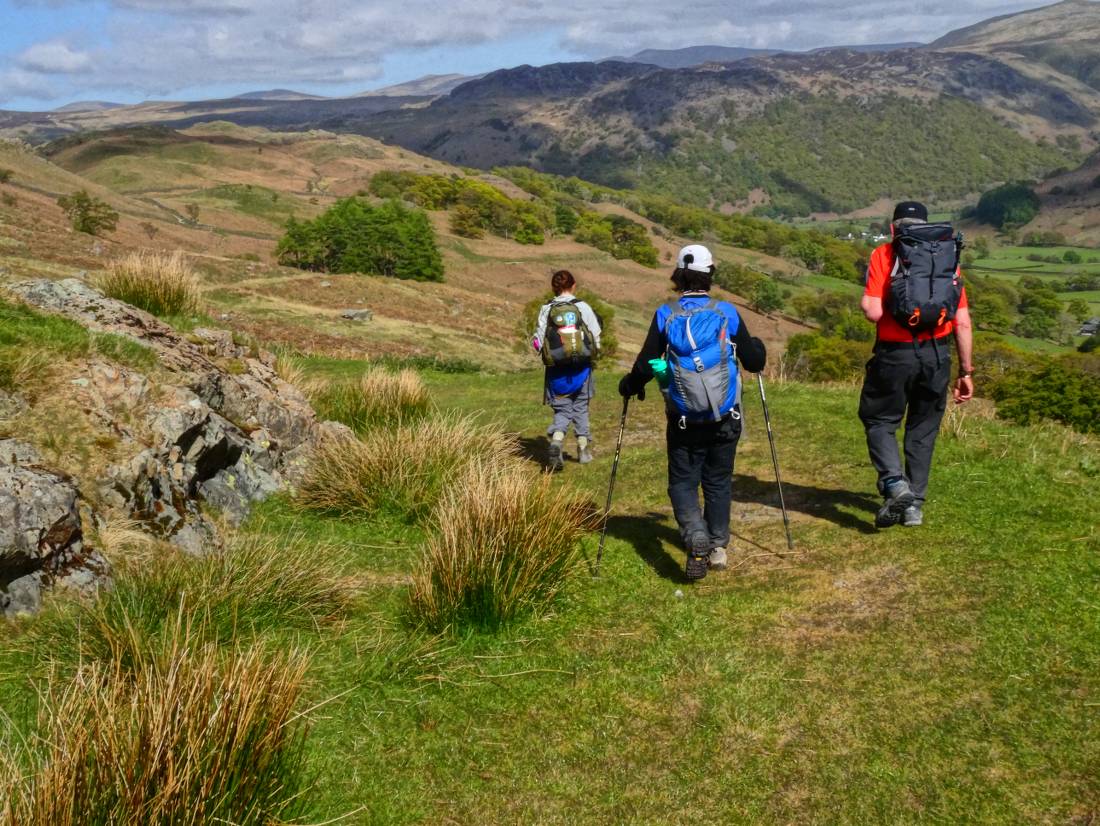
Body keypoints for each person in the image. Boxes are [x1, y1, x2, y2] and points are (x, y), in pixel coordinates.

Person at [618, 244, 766, 580]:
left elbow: (645, 364)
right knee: (717, 481)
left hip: (683, 418)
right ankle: (716, 546)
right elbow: (754, 362)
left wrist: (630, 385)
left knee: (683, 482)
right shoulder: (725, 312)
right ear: (709, 274)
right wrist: (757, 345)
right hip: (725, 417)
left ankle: (694, 533)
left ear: (678, 275)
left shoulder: (665, 315)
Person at [859, 201, 974, 528]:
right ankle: (914, 507)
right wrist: (966, 371)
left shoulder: (885, 254)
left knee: (879, 418)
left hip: (895, 354)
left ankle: (895, 483)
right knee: (923, 428)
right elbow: (962, 321)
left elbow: (873, 311)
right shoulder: (946, 256)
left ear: (895, 226)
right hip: (937, 354)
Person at [533, 270, 602, 471]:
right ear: (573, 286)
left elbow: (538, 341)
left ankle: (556, 440)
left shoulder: (547, 309)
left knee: (562, 409)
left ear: (554, 287)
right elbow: (595, 335)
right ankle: (583, 451)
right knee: (580, 407)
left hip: (557, 369)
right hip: (582, 367)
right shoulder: (582, 307)